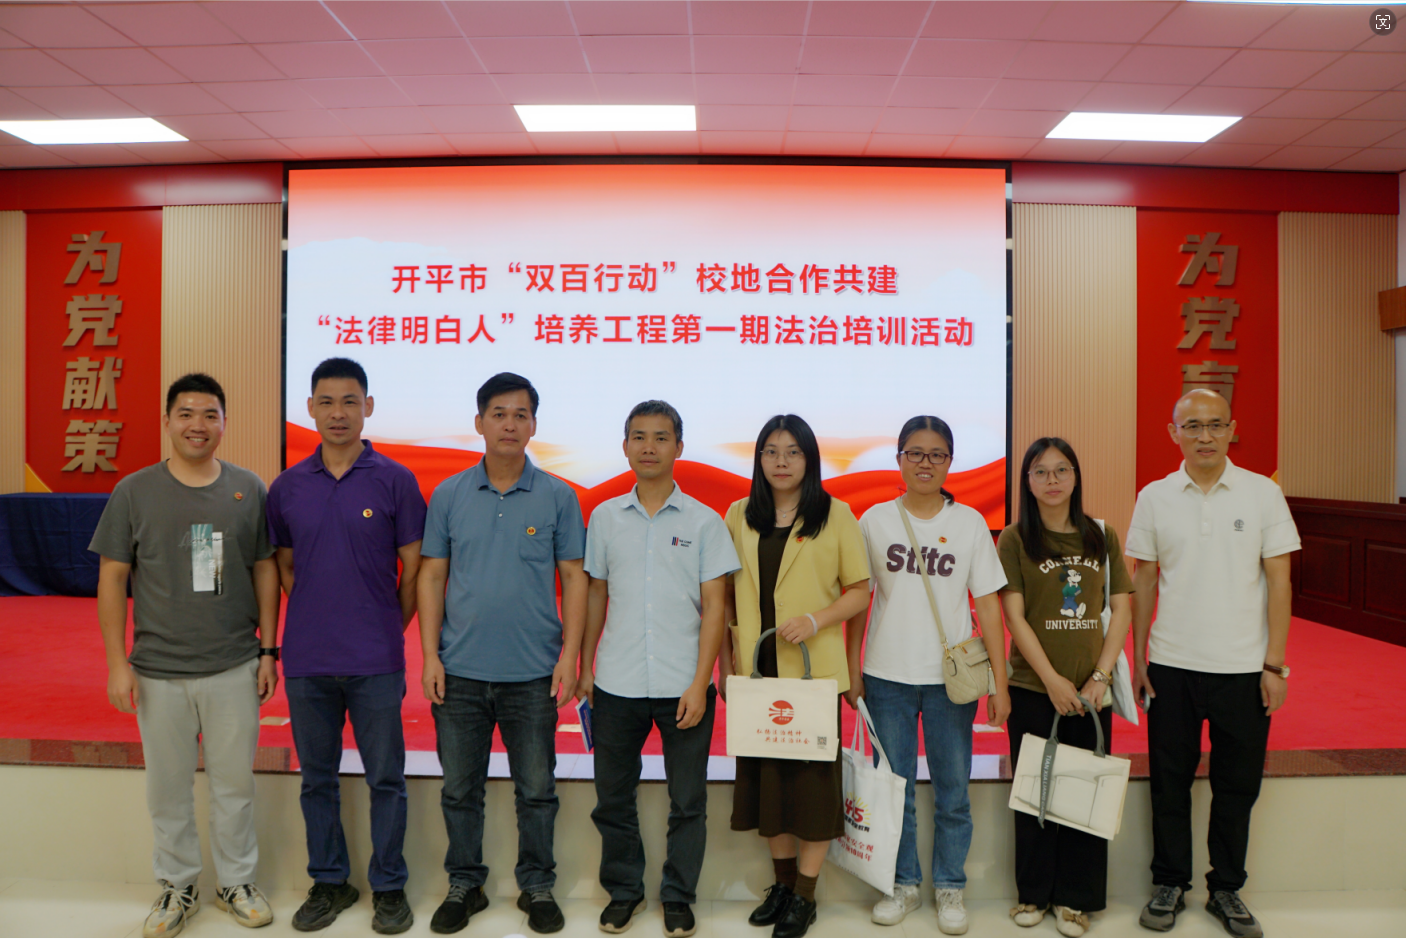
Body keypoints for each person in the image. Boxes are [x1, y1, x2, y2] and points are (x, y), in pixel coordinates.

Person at [92, 373, 279, 938]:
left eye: (210, 415)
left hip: (233, 665)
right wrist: (117, 663)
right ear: (168, 421)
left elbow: (264, 568)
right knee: (167, 789)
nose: (198, 425)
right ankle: (179, 885)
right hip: (158, 671)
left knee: (234, 786)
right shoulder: (134, 491)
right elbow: (112, 577)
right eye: (187, 414)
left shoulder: (247, 488)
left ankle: (236, 882)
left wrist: (268, 650)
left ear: (224, 423)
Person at [418, 372, 588, 936]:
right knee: (458, 791)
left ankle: (536, 885)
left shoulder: (559, 496)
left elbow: (575, 579)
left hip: (533, 674)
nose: (509, 424)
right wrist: (430, 655)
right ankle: (464, 883)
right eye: (498, 413)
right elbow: (432, 576)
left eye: (520, 415)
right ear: (479, 422)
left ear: (534, 424)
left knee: (536, 791)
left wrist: (569, 657)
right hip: (459, 672)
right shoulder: (449, 494)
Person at [1129, 390, 1299, 939]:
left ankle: (1226, 887)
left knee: (1237, 785)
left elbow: (1279, 581)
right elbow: (1144, 581)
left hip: (1244, 669)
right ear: (1173, 432)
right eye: (1193, 426)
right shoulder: (1154, 496)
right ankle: (1170, 883)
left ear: (1232, 429)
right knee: (1168, 783)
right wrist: (1139, 657)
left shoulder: (1262, 494)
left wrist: (1274, 665)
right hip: (1171, 665)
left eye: (1215, 425)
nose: (1205, 436)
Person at [265, 358, 426, 934]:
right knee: (317, 779)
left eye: (350, 401)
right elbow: (285, 566)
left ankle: (390, 886)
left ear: (368, 407)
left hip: (376, 660)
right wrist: (317, 610)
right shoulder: (287, 486)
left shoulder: (395, 480)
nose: (338, 413)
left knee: (387, 779)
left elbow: (413, 569)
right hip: (309, 659)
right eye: (327, 402)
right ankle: (330, 881)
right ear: (310, 408)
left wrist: (384, 624)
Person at [577, 400, 740, 938]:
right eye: (639, 437)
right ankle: (624, 892)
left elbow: (715, 607)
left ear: (679, 447)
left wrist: (700, 682)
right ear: (625, 446)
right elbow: (596, 595)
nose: (649, 447)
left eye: (661, 437)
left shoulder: (704, 521)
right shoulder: (604, 518)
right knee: (612, 798)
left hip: (682, 685)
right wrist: (586, 667)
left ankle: (677, 896)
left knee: (688, 801)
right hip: (616, 681)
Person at [852, 415, 1009, 935]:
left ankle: (949, 885)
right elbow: (858, 601)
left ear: (950, 461)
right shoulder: (874, 521)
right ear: (898, 459)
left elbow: (989, 607)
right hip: (886, 676)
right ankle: (902, 884)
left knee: (953, 790)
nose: (925, 463)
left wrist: (999, 682)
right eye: (915, 453)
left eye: (936, 454)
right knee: (894, 790)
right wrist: (853, 669)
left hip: (951, 681)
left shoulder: (970, 524)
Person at [719, 414, 871, 939]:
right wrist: (726, 663)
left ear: (810, 459)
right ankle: (782, 886)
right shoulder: (739, 514)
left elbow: (859, 591)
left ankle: (805, 895)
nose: (781, 462)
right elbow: (722, 596)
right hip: (757, 673)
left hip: (810, 676)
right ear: (759, 459)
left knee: (811, 791)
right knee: (769, 787)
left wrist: (815, 620)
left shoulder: (836, 514)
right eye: (771, 451)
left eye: (793, 452)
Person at [997, 438, 1133, 938]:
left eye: (1062, 470)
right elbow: (1014, 616)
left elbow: (1122, 607)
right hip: (1034, 688)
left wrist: (1100, 677)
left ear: (1076, 476)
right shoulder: (1014, 538)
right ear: (1027, 482)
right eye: (1040, 471)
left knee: (1085, 793)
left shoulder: (1101, 534)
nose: (1051, 480)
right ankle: (1033, 893)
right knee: (1034, 794)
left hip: (1092, 693)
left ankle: (1077, 899)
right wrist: (1051, 680)